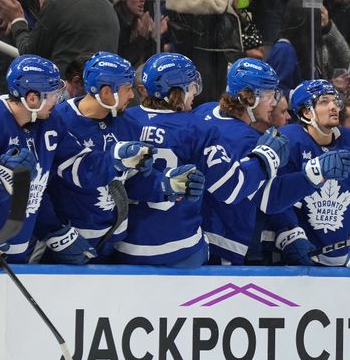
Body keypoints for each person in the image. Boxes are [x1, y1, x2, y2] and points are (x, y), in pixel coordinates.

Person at [121, 52, 286, 267]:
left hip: (125, 244)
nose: (194, 94)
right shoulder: (196, 127)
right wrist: (265, 157)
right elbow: (229, 188)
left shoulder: (126, 119)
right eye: (191, 87)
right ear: (176, 91)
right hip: (179, 246)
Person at [0, 54, 152, 264]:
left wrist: (115, 160)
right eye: (53, 93)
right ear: (32, 98)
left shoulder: (50, 122)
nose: (59, 98)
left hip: (20, 249)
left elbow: (77, 166)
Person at [191, 59, 350, 265]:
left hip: (195, 236)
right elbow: (269, 198)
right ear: (250, 98)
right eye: (269, 95)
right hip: (224, 245)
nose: (274, 102)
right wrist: (313, 174)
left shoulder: (204, 111)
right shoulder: (247, 139)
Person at [47, 52, 199, 261]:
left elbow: (132, 181)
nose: (132, 96)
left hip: (113, 241)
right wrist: (54, 231)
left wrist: (166, 184)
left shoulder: (128, 125)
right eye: (127, 89)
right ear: (107, 92)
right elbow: (64, 174)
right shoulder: (58, 121)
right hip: (68, 242)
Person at [265, 79, 350, 267]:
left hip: (342, 257)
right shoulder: (289, 140)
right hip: (297, 259)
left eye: (334, 101)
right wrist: (289, 235)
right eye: (323, 101)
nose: (333, 107)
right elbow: (277, 195)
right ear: (306, 112)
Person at [0, 0, 120, 75]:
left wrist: (17, 19)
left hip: (65, 99)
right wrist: (49, 14)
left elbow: (30, 55)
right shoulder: (109, 8)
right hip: (98, 96)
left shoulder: (58, 4)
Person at [266, 0, 350, 95]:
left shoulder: (311, 48)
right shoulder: (284, 50)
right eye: (316, 21)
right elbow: (276, 91)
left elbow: (343, 60)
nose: (319, 27)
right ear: (305, 23)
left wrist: (329, 87)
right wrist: (308, 95)